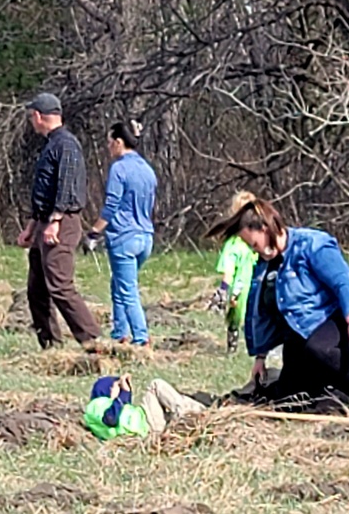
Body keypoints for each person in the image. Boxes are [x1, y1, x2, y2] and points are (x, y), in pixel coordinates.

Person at [204, 197, 349, 415]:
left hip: (343, 322)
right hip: (301, 335)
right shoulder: (264, 268)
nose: (257, 252)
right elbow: (262, 313)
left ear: (265, 228)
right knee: (288, 401)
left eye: (255, 245)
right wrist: (260, 357)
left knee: (320, 349)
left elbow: (342, 282)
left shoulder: (313, 245)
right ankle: (334, 393)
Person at [17, 92, 102, 350]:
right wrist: (32, 226)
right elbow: (44, 191)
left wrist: (55, 220)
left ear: (38, 116)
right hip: (44, 222)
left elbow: (66, 186)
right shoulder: (51, 144)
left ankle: (93, 342)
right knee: (37, 289)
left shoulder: (66, 144)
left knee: (60, 285)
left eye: (32, 117)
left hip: (61, 223)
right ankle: (50, 344)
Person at [84, 120, 157, 346]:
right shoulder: (147, 169)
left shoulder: (119, 168)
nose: (108, 147)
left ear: (118, 142)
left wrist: (94, 232)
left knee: (127, 290)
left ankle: (140, 337)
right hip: (146, 237)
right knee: (118, 284)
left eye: (109, 142)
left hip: (124, 238)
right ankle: (119, 333)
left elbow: (111, 205)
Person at [83, 373, 207, 440]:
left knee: (181, 400)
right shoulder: (96, 406)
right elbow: (111, 419)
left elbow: (118, 414)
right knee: (156, 385)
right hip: (147, 423)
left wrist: (125, 393)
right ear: (108, 389)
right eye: (117, 386)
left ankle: (204, 413)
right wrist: (122, 394)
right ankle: (189, 415)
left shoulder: (102, 408)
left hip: (146, 426)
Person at [209, 190, 259, 353]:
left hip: (239, 290)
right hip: (257, 289)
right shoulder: (257, 242)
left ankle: (234, 345)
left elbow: (228, 270)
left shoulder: (234, 244)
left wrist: (223, 289)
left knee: (235, 320)